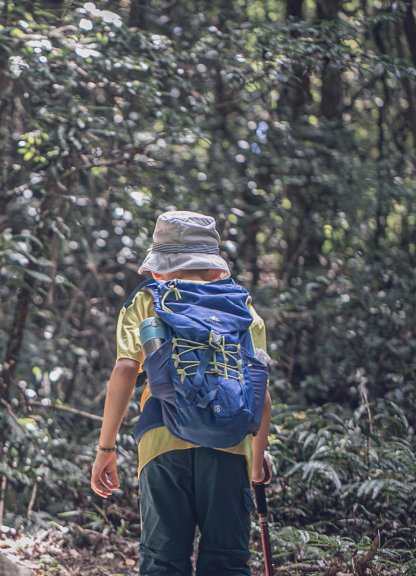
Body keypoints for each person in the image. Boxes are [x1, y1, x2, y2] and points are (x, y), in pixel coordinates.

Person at [89, 210, 273, 575]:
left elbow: (126, 369)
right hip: (229, 440)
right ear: (214, 267)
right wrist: (257, 456)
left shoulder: (146, 300)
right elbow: (260, 387)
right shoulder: (241, 307)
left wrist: (106, 449)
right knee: (227, 559)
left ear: (158, 267)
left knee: (162, 559)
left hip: (161, 437)